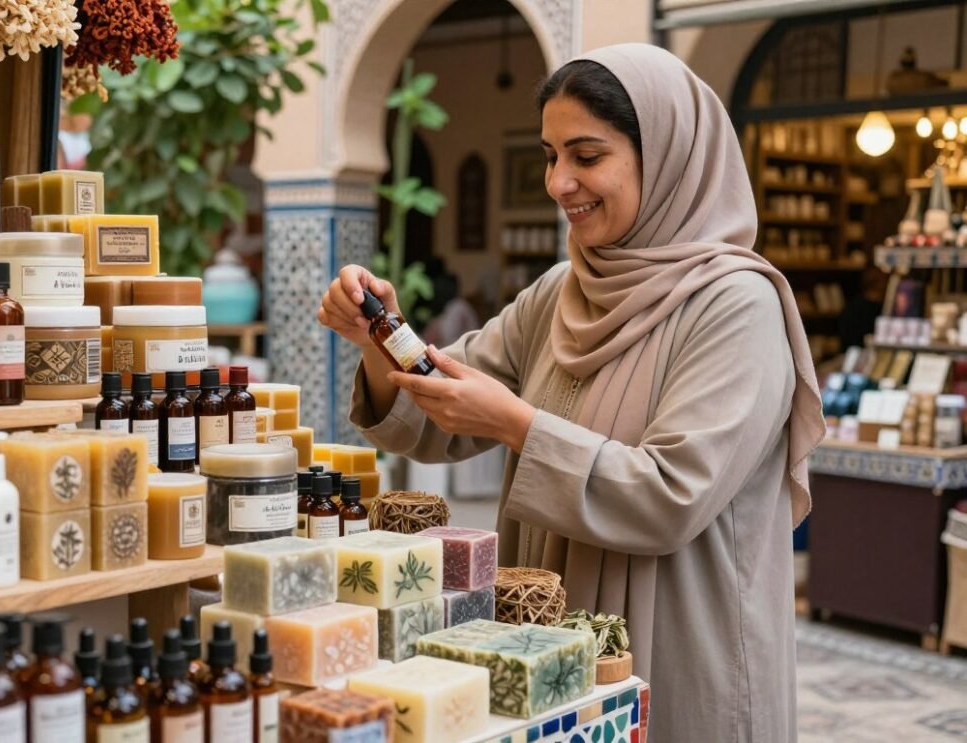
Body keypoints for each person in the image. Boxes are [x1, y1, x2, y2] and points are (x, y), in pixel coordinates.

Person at [318, 44, 824, 742]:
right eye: (551, 154)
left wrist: (522, 427)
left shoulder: (737, 307)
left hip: (683, 651)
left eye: (587, 156)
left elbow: (673, 492)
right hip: (547, 644)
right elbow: (431, 415)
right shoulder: (561, 293)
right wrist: (381, 331)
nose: (559, 181)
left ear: (669, 156)